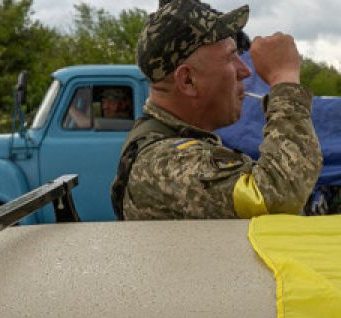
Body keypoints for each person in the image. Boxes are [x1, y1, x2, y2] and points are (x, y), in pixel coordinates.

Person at [110, 0, 323, 220]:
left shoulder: (175, 143)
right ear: (188, 80)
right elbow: (278, 196)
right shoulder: (161, 163)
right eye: (230, 57)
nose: (245, 71)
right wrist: (284, 79)